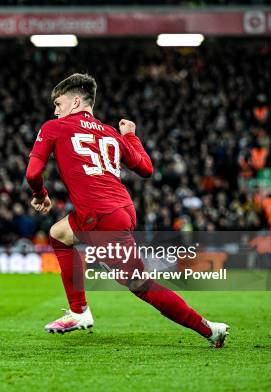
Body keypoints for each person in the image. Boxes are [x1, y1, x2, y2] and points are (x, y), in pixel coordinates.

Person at [25, 73, 229, 347]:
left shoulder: (53, 127)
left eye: (58, 104)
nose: (55, 111)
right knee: (59, 233)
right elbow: (146, 169)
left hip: (100, 216)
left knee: (140, 285)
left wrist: (41, 195)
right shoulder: (110, 132)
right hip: (121, 208)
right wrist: (131, 136)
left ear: (75, 102)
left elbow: (32, 173)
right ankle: (78, 310)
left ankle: (209, 329)